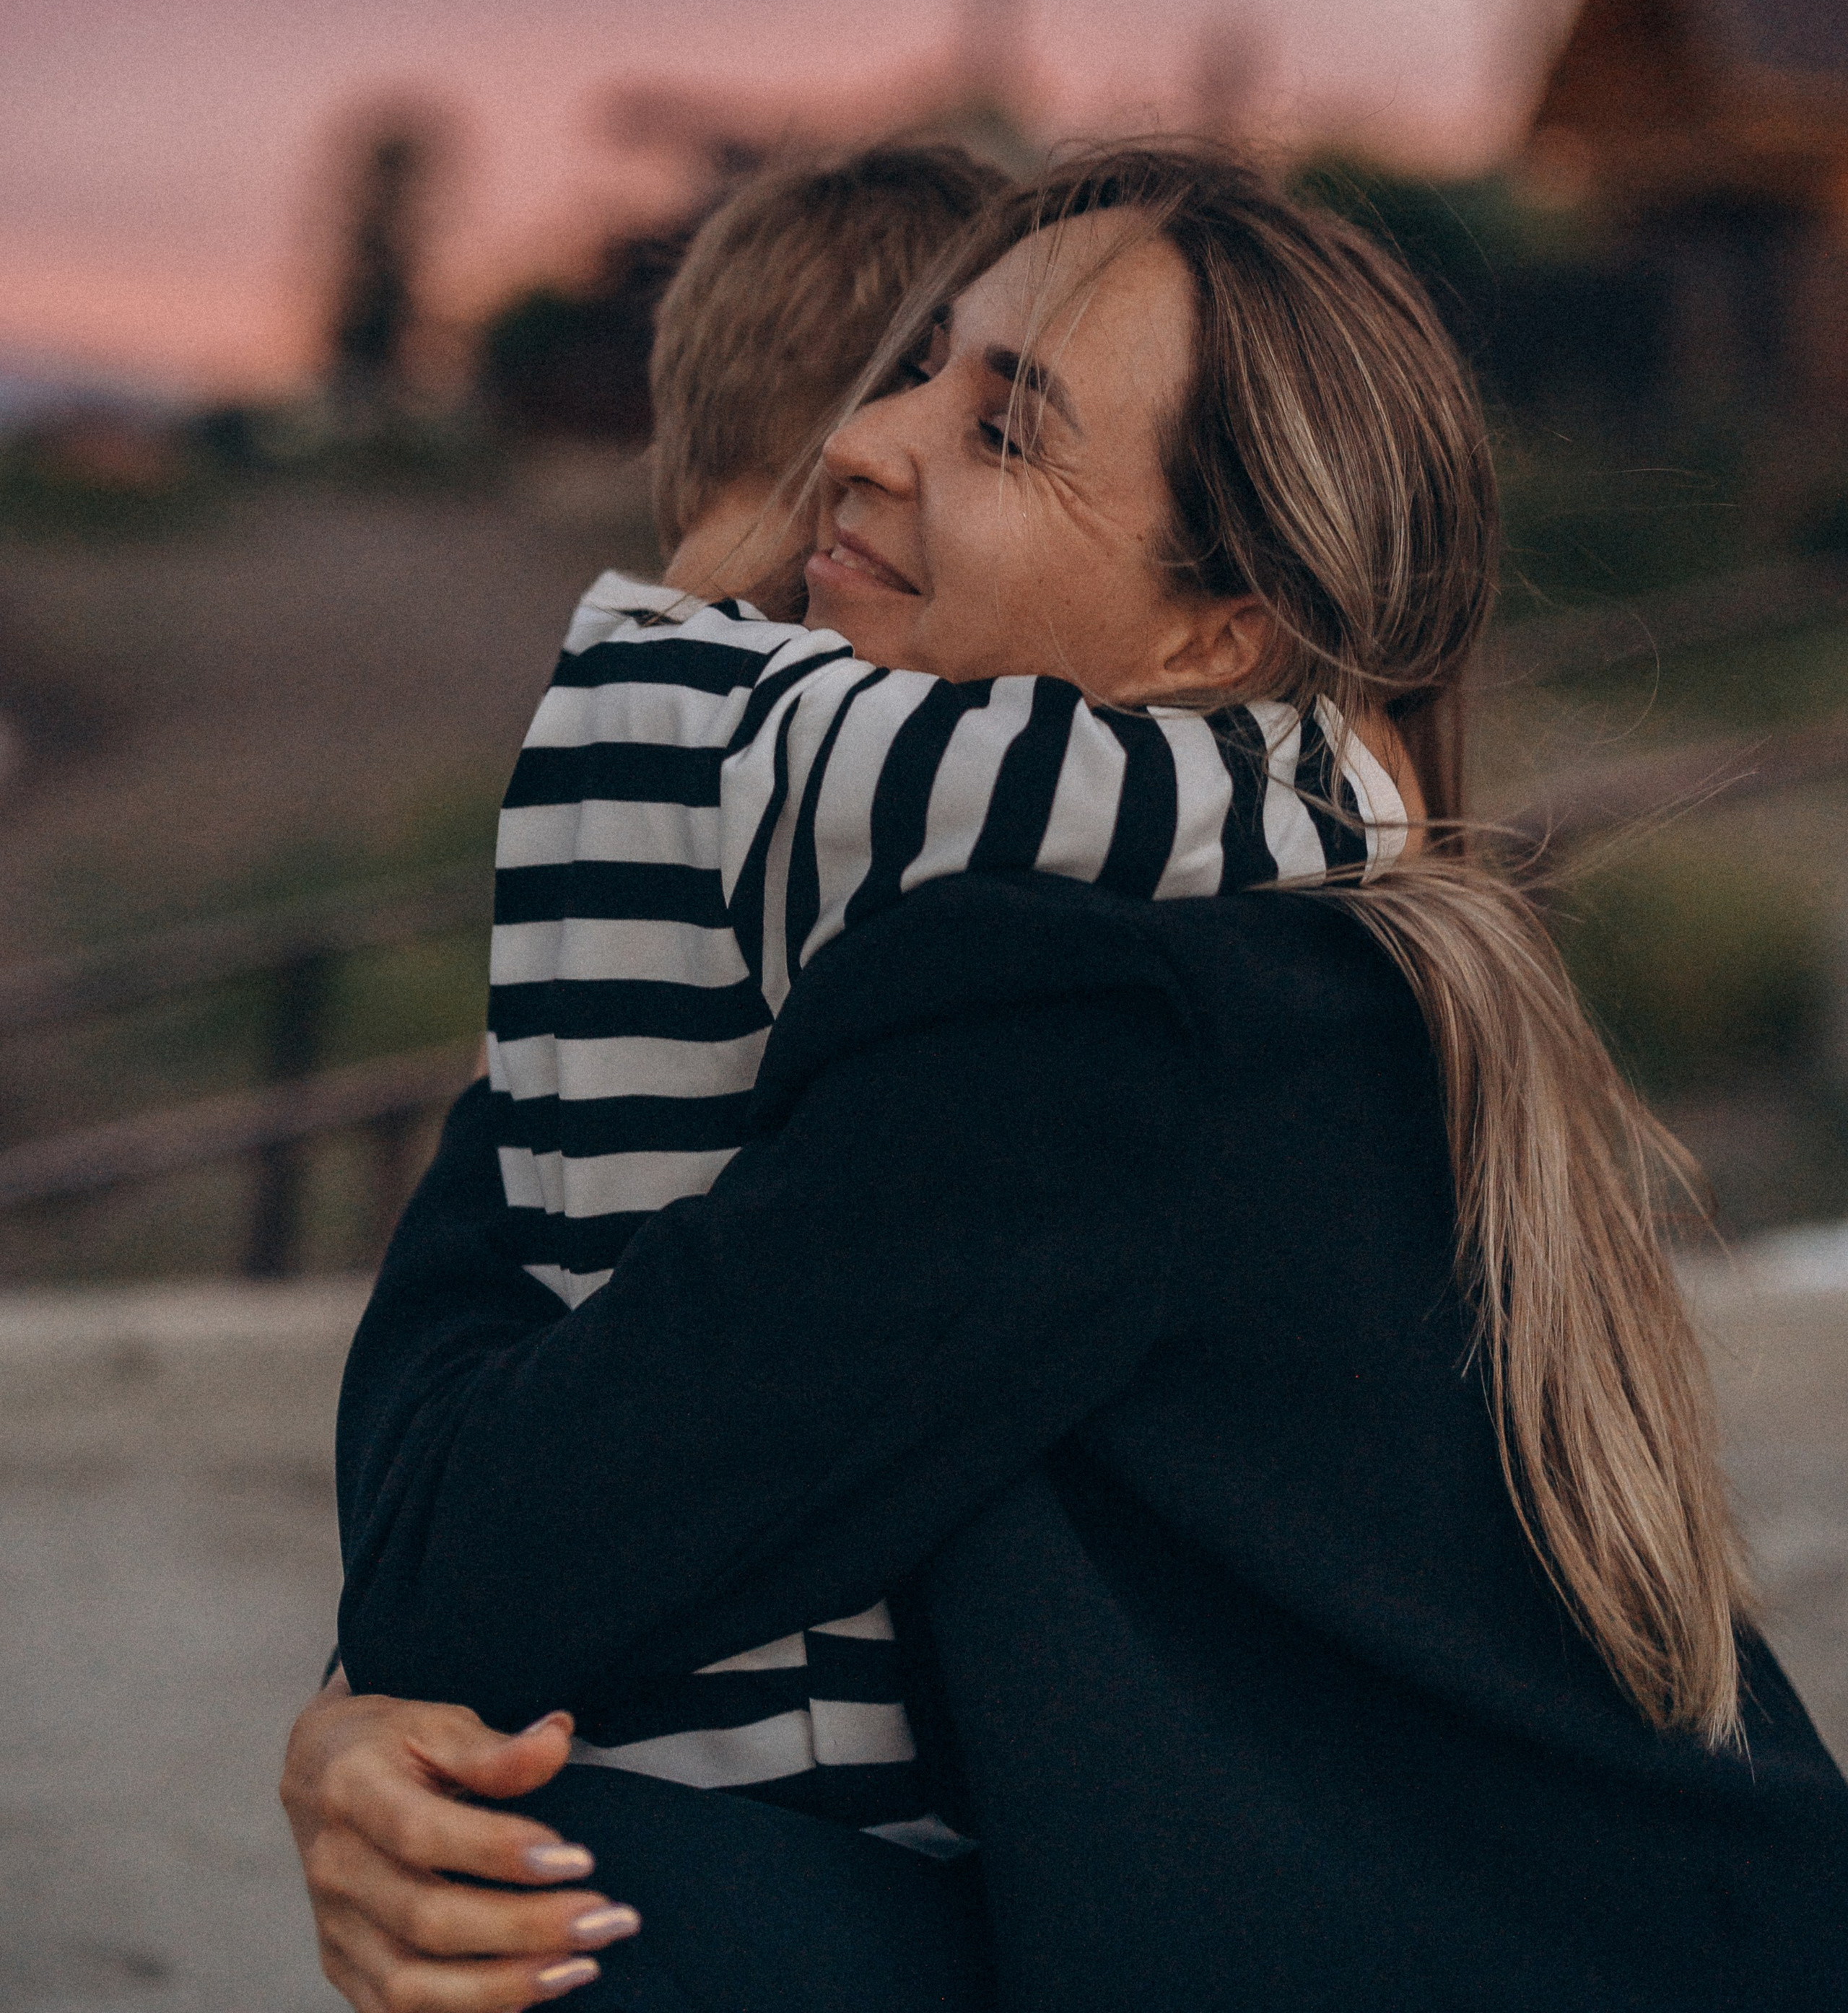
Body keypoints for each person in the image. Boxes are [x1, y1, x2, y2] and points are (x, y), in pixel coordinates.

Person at [290, 149, 1848, 2012]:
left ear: (1216, 637)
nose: (858, 444)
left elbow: (476, 1576)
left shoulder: (1107, 1026)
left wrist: (363, 1719)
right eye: (915, 369)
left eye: (1004, 429)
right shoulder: (1298, 946)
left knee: (571, 1893)